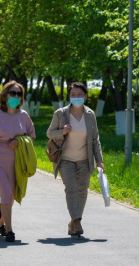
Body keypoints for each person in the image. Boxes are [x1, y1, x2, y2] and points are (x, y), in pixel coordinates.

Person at [47, 82, 104, 236]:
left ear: (85, 96)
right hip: (65, 159)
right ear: (69, 96)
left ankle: (73, 222)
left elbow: (95, 140)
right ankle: (77, 221)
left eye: (80, 95)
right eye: (73, 95)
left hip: (85, 159)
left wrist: (99, 160)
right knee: (71, 188)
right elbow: (49, 133)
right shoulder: (60, 113)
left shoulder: (90, 115)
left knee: (82, 191)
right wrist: (62, 131)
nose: (76, 97)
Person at [0, 81, 36, 242]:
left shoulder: (23, 115)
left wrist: (19, 142)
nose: (16, 97)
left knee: (10, 196)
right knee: (6, 192)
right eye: (13, 93)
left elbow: (32, 136)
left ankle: (0, 223)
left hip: (17, 162)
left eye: (19, 94)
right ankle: (9, 230)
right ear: (5, 95)